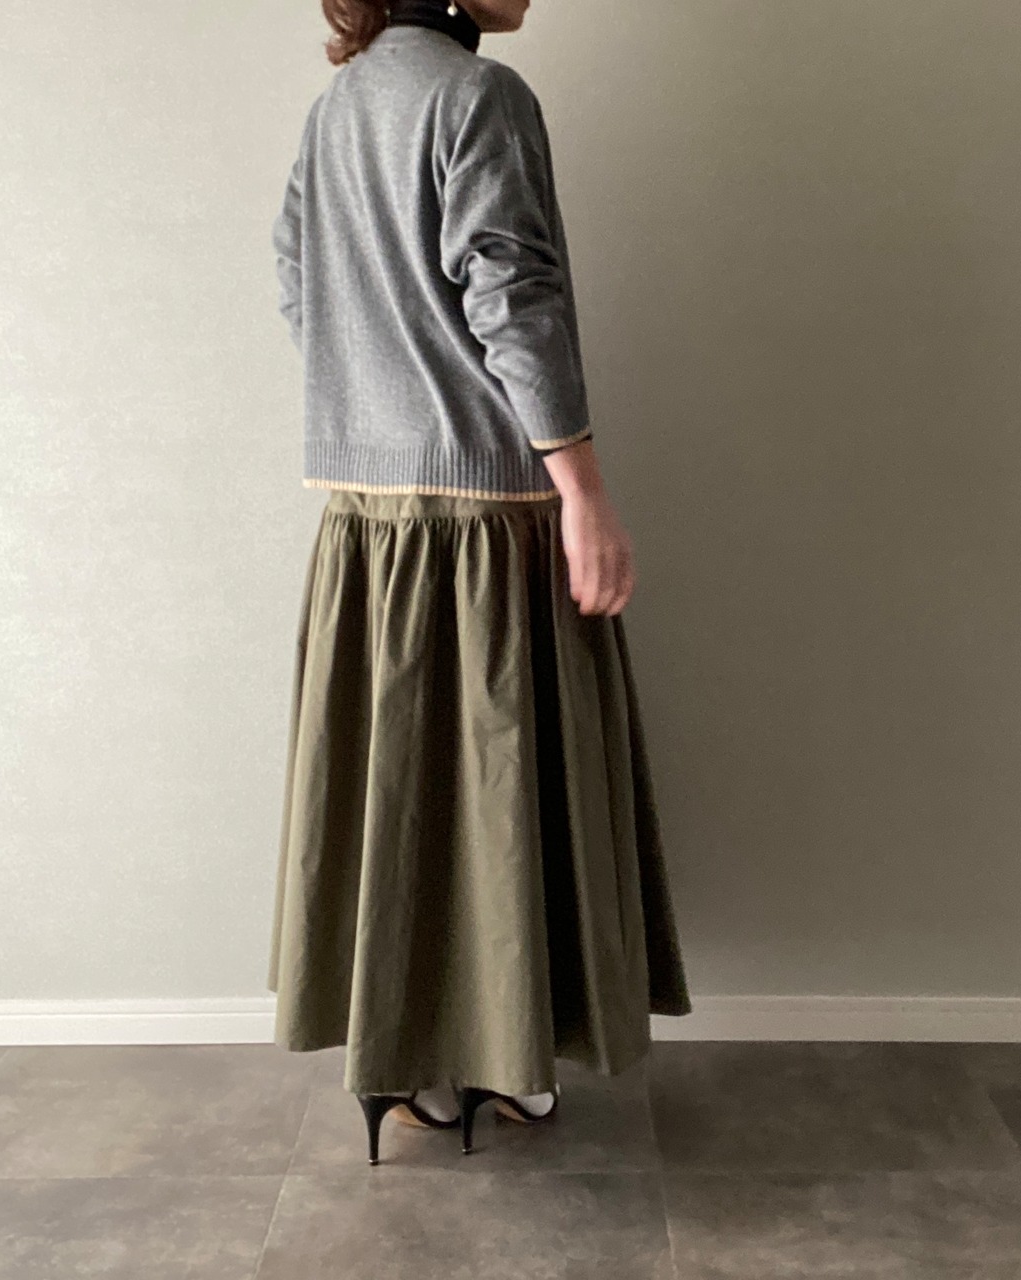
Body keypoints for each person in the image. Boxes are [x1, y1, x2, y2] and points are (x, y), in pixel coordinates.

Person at [265, 0, 692, 1166]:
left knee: (402, 786)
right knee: (495, 790)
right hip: (485, 516)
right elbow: (509, 292)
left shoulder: (336, 107)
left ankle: (413, 1068)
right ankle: (503, 1057)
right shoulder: (479, 96)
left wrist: (377, 390)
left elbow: (298, 278)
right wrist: (582, 491)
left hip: (365, 522)